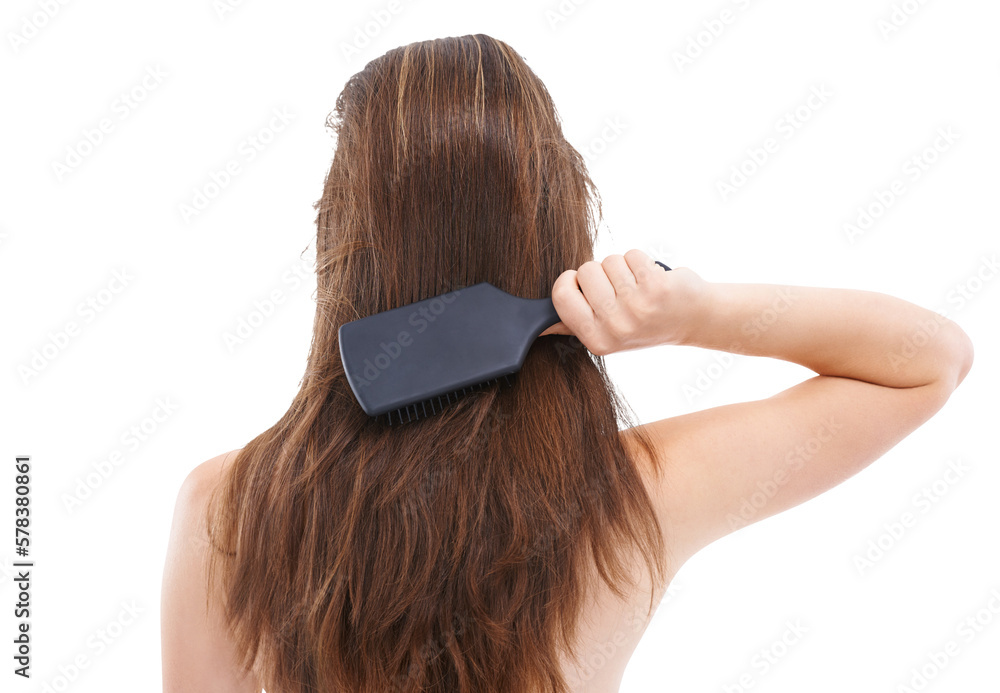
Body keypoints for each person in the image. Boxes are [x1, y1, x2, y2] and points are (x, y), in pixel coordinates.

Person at [160, 34, 974, 693]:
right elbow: (927, 360)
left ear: (347, 246)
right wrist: (697, 313)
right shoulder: (635, 499)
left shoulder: (225, 511)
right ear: (556, 222)